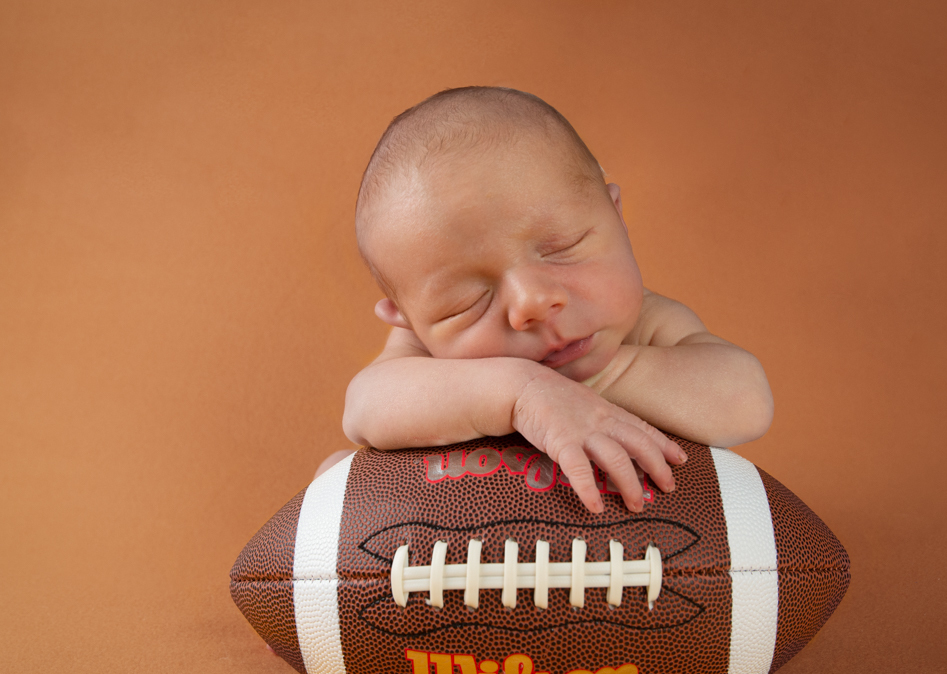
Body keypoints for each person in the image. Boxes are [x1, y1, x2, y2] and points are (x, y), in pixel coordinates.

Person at [318, 86, 773, 514]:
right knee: (336, 486)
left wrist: (596, 380)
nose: (531, 302)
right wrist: (524, 394)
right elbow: (364, 407)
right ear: (409, 321)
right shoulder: (422, 351)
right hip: (444, 549)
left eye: (562, 248)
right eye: (467, 302)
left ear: (617, 216)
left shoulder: (646, 322)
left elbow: (744, 398)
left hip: (622, 554)